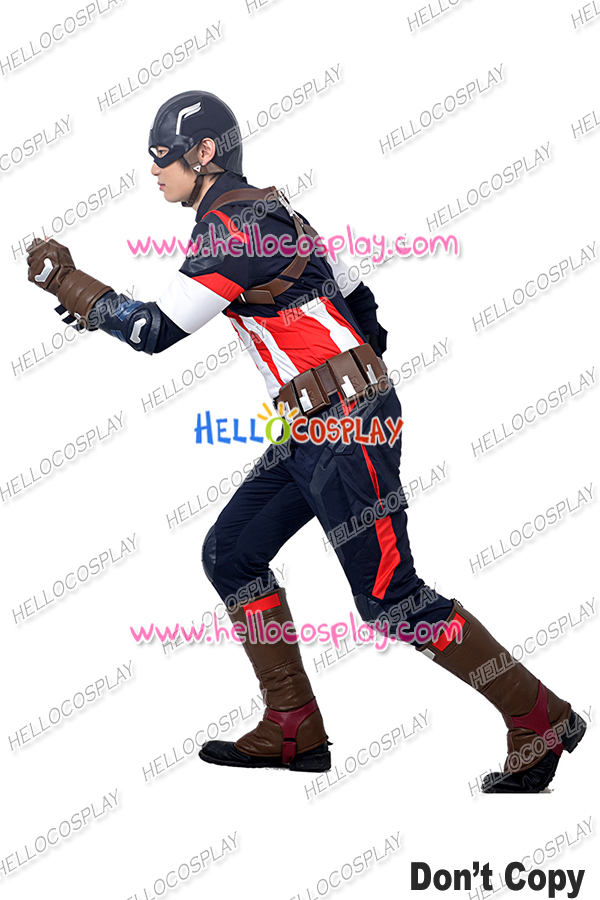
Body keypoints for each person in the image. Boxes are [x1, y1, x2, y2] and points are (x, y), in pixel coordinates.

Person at [26, 91, 586, 792]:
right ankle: (294, 728)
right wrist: (341, 380)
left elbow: (153, 331)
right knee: (233, 554)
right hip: (319, 425)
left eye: (162, 156)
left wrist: (67, 282)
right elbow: (365, 309)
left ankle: (540, 718)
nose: (154, 171)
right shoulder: (276, 211)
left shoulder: (231, 228)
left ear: (204, 153)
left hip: (342, 426)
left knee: (391, 598)